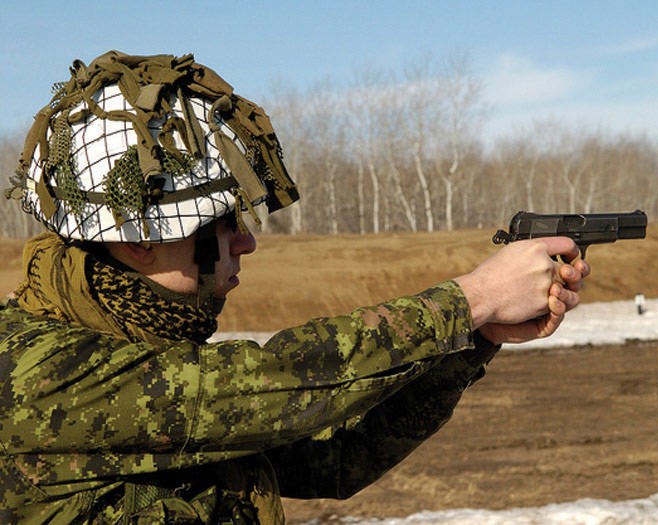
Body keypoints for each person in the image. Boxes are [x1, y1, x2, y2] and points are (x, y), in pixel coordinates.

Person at [0, 51, 589, 524]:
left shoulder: (142, 344)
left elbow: (330, 456)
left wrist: (474, 337)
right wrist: (470, 299)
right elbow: (277, 383)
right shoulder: (37, 374)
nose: (246, 243)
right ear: (138, 242)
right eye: (221, 226)